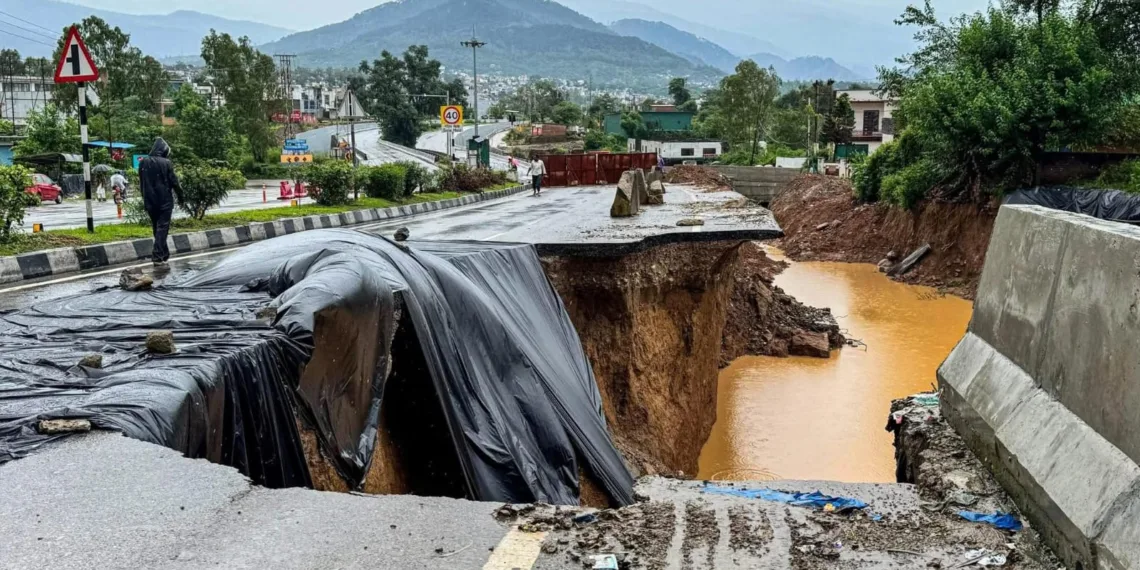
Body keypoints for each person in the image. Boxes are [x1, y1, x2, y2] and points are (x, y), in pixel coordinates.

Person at [138, 138, 180, 266]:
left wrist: (144, 196)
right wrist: (181, 196)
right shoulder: (166, 163)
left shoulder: (143, 162)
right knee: (163, 227)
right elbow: (174, 182)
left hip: (149, 199)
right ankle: (157, 255)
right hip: (164, 200)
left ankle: (163, 254)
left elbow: (142, 183)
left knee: (156, 226)